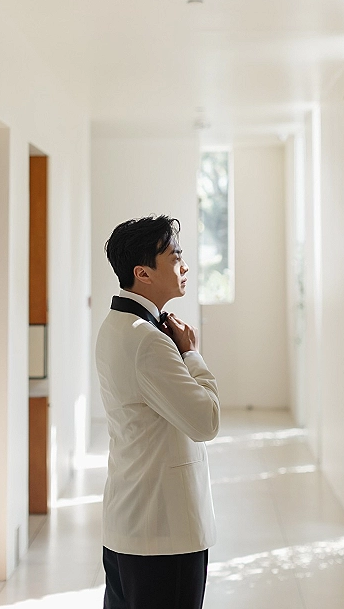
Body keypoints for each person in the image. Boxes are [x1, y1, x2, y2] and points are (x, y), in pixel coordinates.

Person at [96, 215, 220, 609]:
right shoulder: (149, 341)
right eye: (174, 256)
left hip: (128, 527)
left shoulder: (114, 326)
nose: (184, 266)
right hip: (164, 535)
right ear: (142, 273)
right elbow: (206, 420)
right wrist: (191, 353)